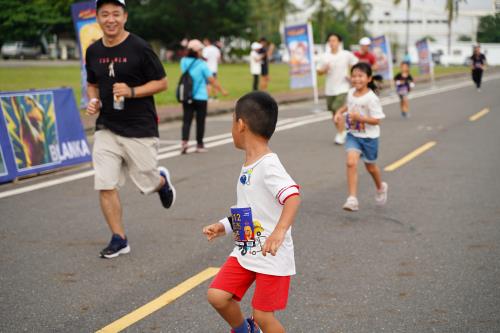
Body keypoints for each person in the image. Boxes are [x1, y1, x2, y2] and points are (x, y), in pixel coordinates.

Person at [202, 91, 301, 333]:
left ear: (240, 124)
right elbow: (250, 209)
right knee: (217, 295)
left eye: (231, 121)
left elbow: (293, 196)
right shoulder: (250, 162)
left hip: (271, 255)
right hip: (247, 247)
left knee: (263, 316)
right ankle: (245, 330)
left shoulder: (268, 165)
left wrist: (278, 232)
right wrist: (224, 226)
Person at [85, 0, 176, 258]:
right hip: (107, 127)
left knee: (145, 178)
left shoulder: (139, 47)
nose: (110, 19)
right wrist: (93, 100)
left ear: (124, 17)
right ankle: (119, 238)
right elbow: (92, 83)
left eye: (116, 14)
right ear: (98, 18)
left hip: (139, 125)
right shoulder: (92, 51)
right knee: (105, 183)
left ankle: (161, 182)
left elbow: (162, 83)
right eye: (105, 14)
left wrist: (132, 91)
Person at [334, 63, 388, 212]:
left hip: (370, 138)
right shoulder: (351, 93)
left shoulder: (371, 98)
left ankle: (380, 187)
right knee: (351, 163)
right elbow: (348, 105)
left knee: (370, 167)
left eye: (360, 76)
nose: (357, 79)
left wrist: (360, 118)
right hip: (353, 135)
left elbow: (377, 120)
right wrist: (339, 112)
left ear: (369, 78)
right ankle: (352, 199)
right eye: (354, 76)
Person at [180, 39, 227, 154]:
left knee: (186, 120)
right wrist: (221, 90)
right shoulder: (202, 64)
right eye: (200, 50)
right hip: (201, 96)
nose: (202, 51)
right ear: (196, 51)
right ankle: (199, 144)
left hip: (187, 95)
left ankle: (184, 143)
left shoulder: (183, 61)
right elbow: (211, 80)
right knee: (200, 121)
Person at [317, 33, 358, 145]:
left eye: (334, 40)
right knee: (332, 111)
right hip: (330, 89)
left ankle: (341, 134)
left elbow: (356, 65)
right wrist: (324, 69)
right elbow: (318, 71)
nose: (332, 43)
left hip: (343, 87)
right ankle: (343, 131)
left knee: (337, 108)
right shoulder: (325, 56)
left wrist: (352, 76)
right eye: (330, 40)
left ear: (339, 42)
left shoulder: (346, 54)